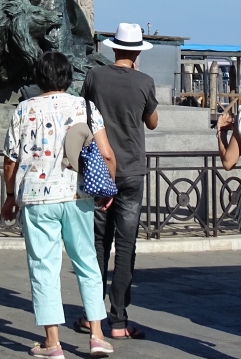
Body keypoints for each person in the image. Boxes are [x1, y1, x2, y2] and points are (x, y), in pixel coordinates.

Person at [2, 50, 116, 359]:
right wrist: (107, 188)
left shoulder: (23, 110)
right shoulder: (85, 107)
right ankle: (96, 336)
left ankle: (52, 343)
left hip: (37, 198)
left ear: (38, 78)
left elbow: (10, 160)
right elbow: (105, 153)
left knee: (43, 267)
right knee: (87, 263)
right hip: (76, 195)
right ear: (68, 77)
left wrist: (10, 196)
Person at [80, 23, 158, 340]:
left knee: (99, 243)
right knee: (126, 245)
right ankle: (119, 320)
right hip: (131, 171)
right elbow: (152, 123)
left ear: (113, 48)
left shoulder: (95, 77)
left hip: (100, 170)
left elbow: (83, 110)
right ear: (137, 51)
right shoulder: (145, 82)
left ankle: (92, 315)